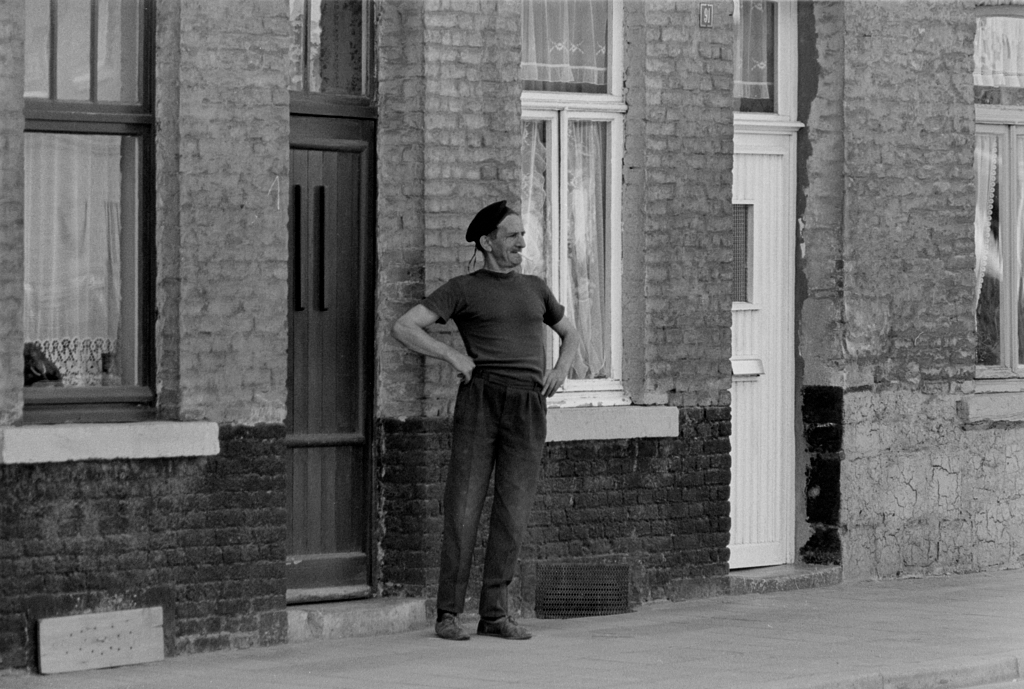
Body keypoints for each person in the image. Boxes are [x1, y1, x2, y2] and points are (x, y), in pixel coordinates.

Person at [392, 200, 579, 641]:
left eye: (523, 235)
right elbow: (405, 326)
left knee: (513, 511)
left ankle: (495, 614)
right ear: (487, 241)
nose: (522, 243)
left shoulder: (536, 288)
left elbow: (570, 333)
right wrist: (451, 354)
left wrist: (561, 368)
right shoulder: (463, 288)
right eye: (512, 235)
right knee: (463, 507)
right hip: (482, 401)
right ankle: (448, 614)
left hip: (528, 407)